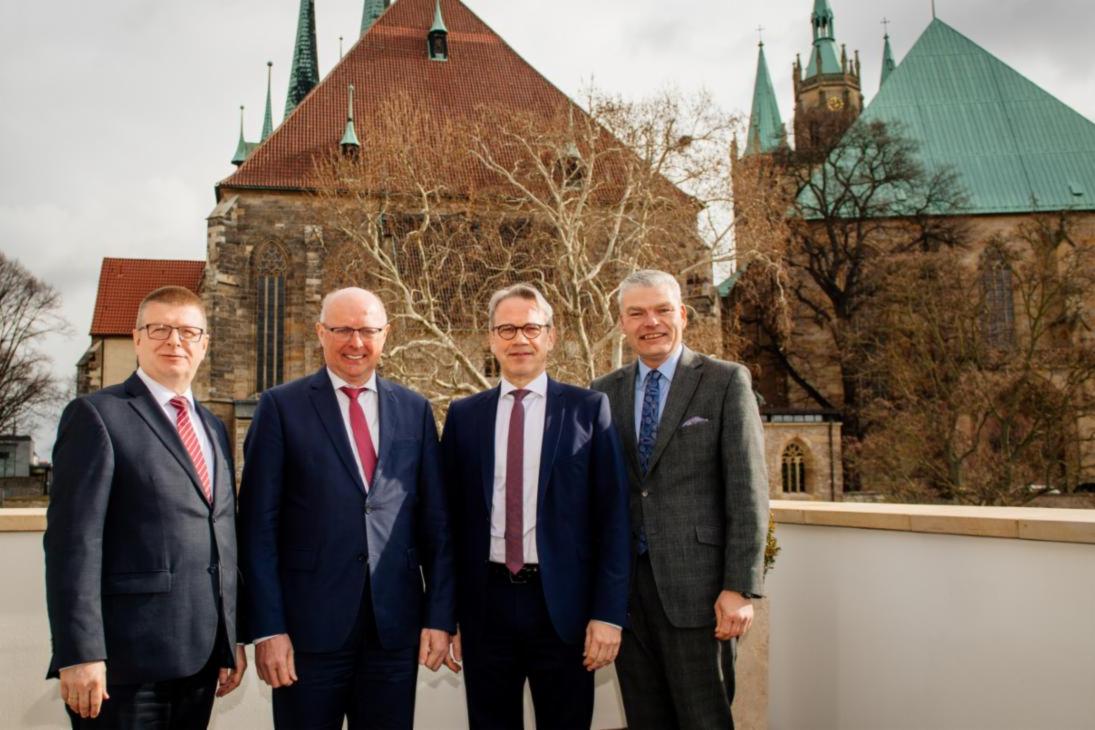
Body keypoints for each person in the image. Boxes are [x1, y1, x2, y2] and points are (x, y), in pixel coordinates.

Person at [238, 287, 455, 730]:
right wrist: (268, 628)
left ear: (386, 335)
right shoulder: (280, 407)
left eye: (367, 331)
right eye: (342, 330)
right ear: (320, 333)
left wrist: (439, 617)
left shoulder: (414, 410)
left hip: (393, 630)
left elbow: (436, 524)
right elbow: (258, 527)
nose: (355, 342)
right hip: (306, 633)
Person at [44, 285, 246, 728]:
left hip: (199, 662)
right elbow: (72, 544)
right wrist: (80, 653)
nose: (174, 341)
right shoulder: (97, 415)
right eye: (160, 329)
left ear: (205, 343)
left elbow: (221, 533)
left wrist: (230, 642)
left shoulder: (212, 427)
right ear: (136, 338)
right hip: (124, 666)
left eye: (188, 332)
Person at [441, 283, 630, 729]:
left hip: (563, 608)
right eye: (507, 328)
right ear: (490, 338)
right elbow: (446, 524)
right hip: (485, 607)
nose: (519, 339)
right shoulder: (465, 416)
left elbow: (613, 520)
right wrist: (444, 615)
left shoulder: (588, 410)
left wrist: (607, 614)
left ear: (550, 336)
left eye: (530, 327)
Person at [591, 270, 769, 729]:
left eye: (662, 310)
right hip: (628, 596)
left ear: (683, 315)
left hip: (701, 592)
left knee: (704, 719)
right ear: (622, 324)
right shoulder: (603, 392)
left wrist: (739, 586)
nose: (651, 322)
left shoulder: (725, 382)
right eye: (637, 313)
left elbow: (748, 489)